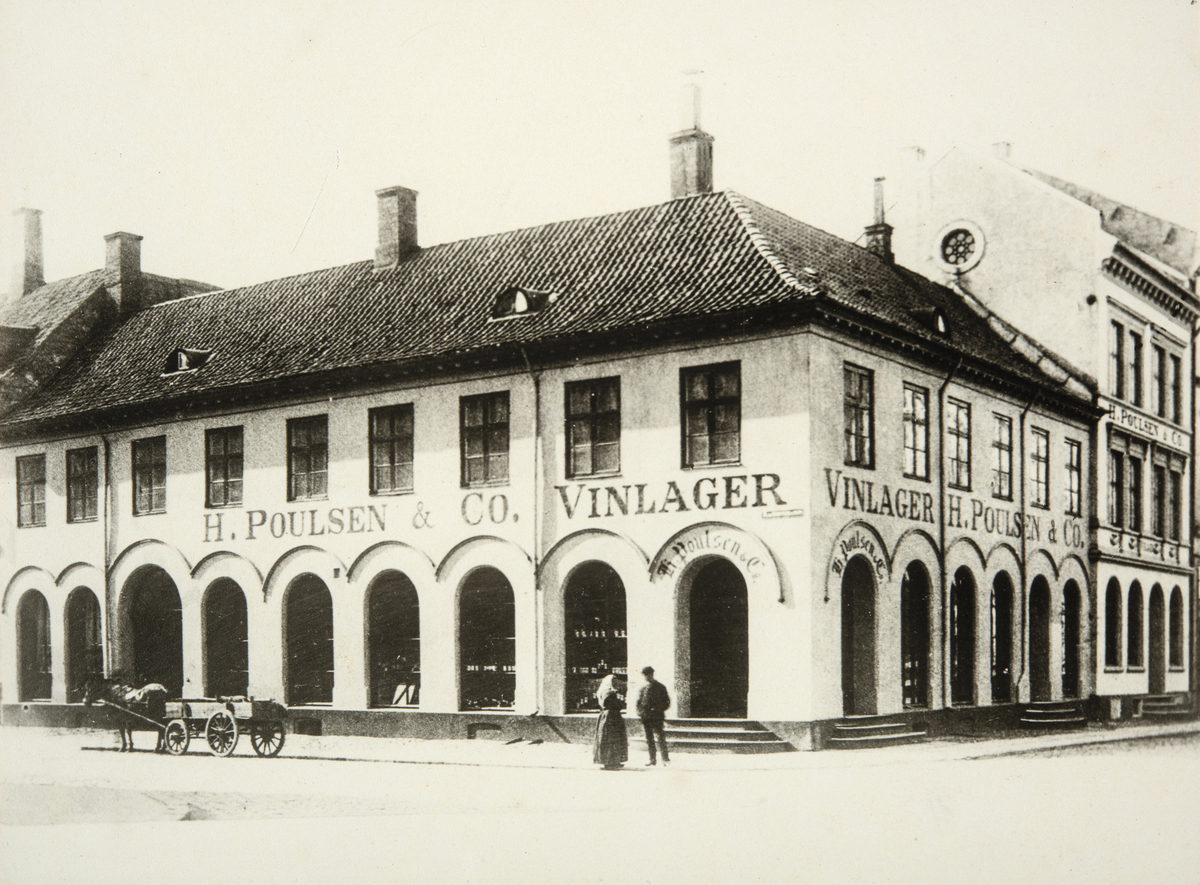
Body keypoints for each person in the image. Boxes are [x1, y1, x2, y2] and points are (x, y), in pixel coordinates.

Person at [635, 666, 670, 766]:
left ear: (652, 674)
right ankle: (652, 759)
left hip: (657, 716)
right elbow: (638, 703)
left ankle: (665, 759)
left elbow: (666, 702)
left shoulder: (660, 687)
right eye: (645, 675)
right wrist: (640, 712)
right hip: (646, 717)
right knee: (649, 739)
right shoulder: (643, 689)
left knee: (660, 738)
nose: (646, 677)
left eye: (648, 675)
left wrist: (657, 709)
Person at [592, 671, 628, 770]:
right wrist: (619, 703)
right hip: (610, 718)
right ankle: (608, 762)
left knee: (615, 739)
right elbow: (610, 704)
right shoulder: (607, 691)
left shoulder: (610, 691)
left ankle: (615, 760)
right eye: (614, 681)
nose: (616, 683)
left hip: (613, 716)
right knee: (610, 739)